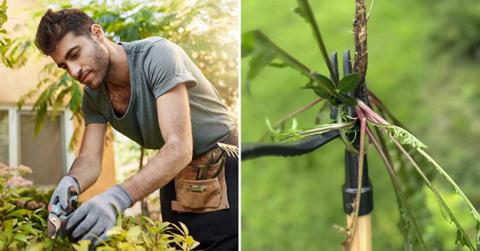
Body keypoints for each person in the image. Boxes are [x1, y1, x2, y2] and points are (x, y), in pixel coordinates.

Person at [35, 8, 238, 251]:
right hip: (173, 175)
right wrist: (71, 182)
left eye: (75, 54)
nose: (74, 71)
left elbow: (180, 147)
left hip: (225, 166)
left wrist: (117, 197)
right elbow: (89, 158)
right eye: (64, 66)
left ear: (97, 33)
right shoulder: (93, 97)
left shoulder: (157, 55)